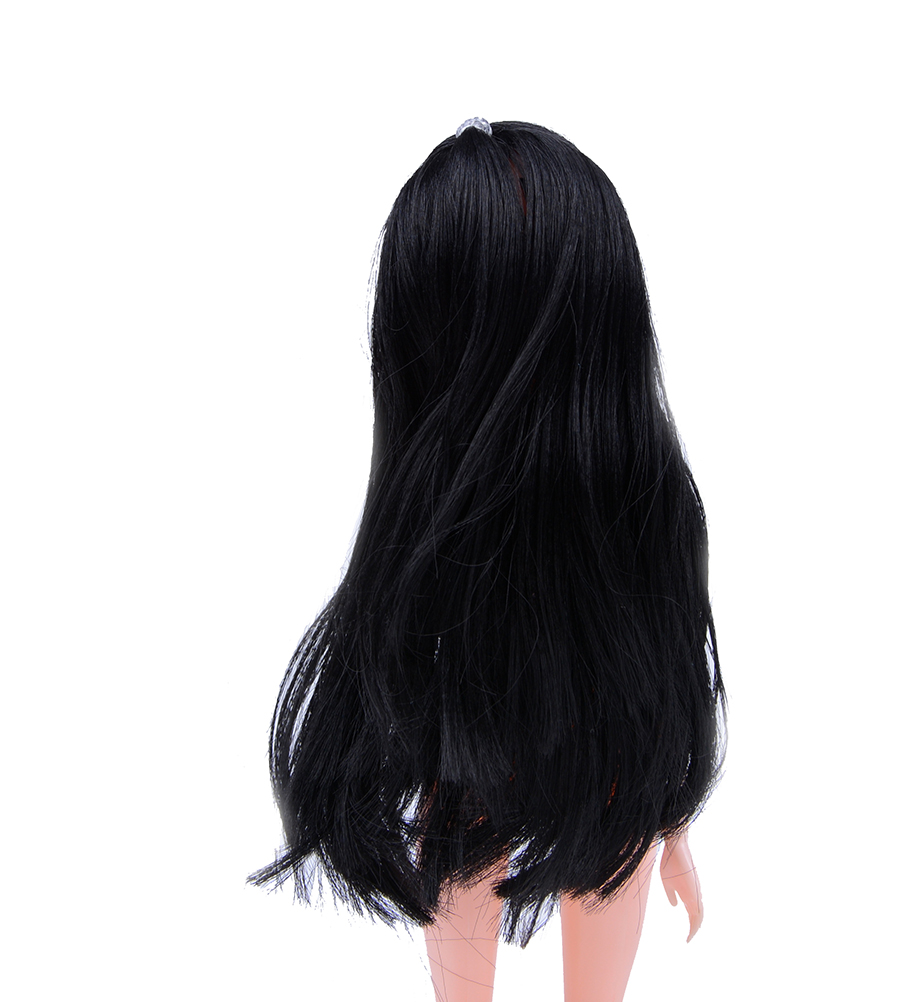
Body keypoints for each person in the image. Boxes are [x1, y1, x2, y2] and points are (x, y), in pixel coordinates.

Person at [250, 119, 726, 1002]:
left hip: (603, 739)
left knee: (597, 796)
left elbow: (664, 688)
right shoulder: (440, 535)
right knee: (473, 795)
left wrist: (673, 821)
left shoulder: (644, 505)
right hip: (504, 728)